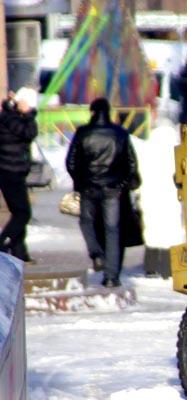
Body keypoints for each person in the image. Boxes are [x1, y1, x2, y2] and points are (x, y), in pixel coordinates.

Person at [66, 98, 140, 288]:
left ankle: (96, 253)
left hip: (89, 187)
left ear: (92, 112)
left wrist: (80, 181)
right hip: (113, 189)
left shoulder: (83, 133)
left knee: (86, 222)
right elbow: (131, 164)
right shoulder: (120, 133)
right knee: (112, 231)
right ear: (108, 113)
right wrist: (122, 183)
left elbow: (71, 162)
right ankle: (111, 277)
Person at [0, 88, 38, 263]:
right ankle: (3, 243)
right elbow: (30, 132)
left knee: (18, 212)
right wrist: (28, 113)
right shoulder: (10, 120)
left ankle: (20, 253)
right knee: (23, 213)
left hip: (10, 172)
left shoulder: (8, 118)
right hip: (11, 171)